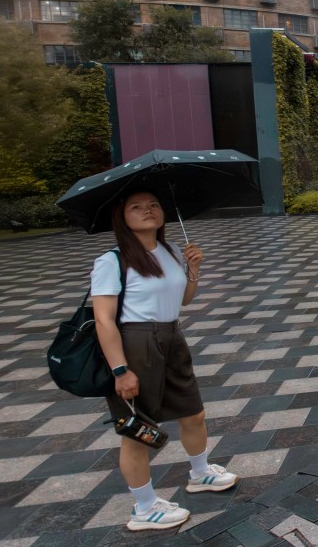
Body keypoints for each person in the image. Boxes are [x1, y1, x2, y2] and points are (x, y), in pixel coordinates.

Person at [92, 190, 236, 532]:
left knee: (194, 412)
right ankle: (144, 508)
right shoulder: (111, 261)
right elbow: (104, 320)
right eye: (137, 207)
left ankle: (200, 473)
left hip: (171, 337)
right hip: (135, 343)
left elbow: (182, 300)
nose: (148, 211)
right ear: (122, 217)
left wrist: (193, 270)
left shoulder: (171, 251)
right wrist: (120, 369)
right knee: (137, 430)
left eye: (154, 205)